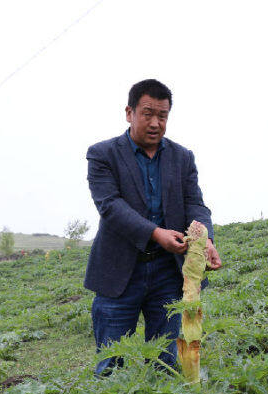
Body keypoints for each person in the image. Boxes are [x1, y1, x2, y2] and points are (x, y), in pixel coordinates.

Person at [84, 79, 221, 376]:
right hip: (119, 272)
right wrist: (156, 234)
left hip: (168, 274)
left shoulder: (182, 158)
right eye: (148, 113)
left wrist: (204, 240)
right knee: (111, 363)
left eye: (163, 116)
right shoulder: (102, 155)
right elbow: (110, 206)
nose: (156, 123)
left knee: (167, 361)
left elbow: (195, 204)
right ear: (129, 113)